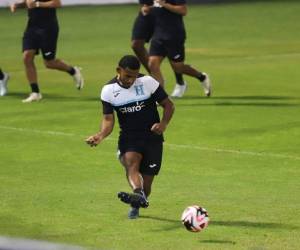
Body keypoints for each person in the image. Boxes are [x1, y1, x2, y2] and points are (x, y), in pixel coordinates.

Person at [86, 55, 175, 219]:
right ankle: (137, 193)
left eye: (134, 76)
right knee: (131, 163)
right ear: (118, 70)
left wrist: (163, 124)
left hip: (152, 137)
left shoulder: (147, 82)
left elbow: (168, 105)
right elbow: (108, 120)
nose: (131, 80)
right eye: (127, 76)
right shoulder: (108, 91)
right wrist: (101, 135)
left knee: (147, 183)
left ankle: (139, 201)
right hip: (129, 137)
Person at [10, 0, 84, 103]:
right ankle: (35, 93)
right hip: (32, 27)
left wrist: (38, 4)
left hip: (48, 28)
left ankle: (73, 71)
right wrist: (17, 5)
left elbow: (57, 3)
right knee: (27, 56)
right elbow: (28, 3)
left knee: (49, 63)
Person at [149, 0, 212, 97]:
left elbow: (183, 10)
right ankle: (160, 96)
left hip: (174, 35)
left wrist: (164, 4)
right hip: (158, 35)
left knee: (178, 67)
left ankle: (201, 77)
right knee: (152, 64)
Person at [131, 0, 186, 97]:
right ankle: (157, 84)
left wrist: (164, 5)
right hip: (150, 12)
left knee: (176, 63)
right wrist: (145, 7)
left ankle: (181, 81)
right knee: (137, 45)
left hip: (168, 19)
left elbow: (183, 10)